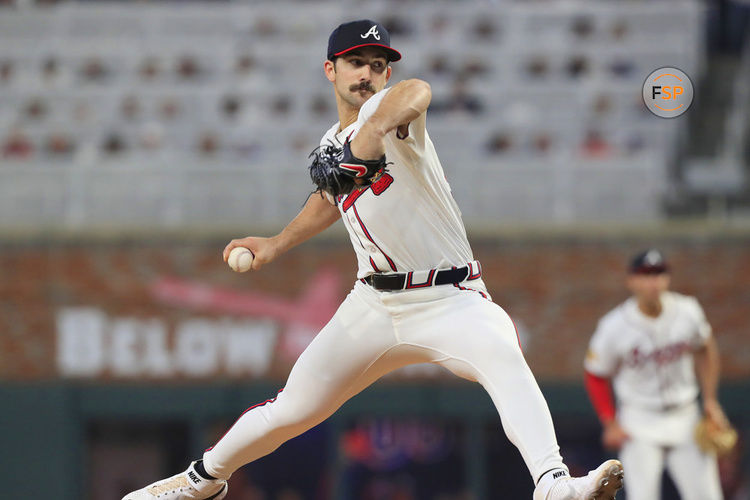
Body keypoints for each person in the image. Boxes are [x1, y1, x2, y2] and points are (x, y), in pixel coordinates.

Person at [123, 20, 623, 500]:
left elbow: (418, 91)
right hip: (374, 306)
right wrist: (275, 243)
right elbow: (328, 196)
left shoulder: (393, 114)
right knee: (293, 408)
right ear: (330, 70)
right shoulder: (330, 144)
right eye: (355, 62)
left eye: (378, 64)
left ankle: (554, 485)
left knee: (503, 356)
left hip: (451, 297)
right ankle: (200, 480)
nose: (368, 73)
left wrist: (370, 131)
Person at [584, 249, 727, 500]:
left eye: (659, 273)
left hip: (686, 415)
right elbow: (595, 373)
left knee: (707, 496)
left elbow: (706, 348)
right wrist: (610, 421)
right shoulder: (614, 325)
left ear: (667, 278)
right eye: (645, 274)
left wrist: (711, 400)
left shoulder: (688, 310)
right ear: (631, 281)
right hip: (639, 421)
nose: (653, 281)